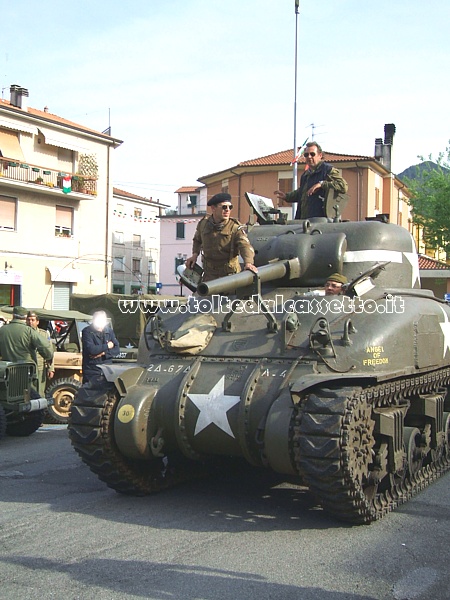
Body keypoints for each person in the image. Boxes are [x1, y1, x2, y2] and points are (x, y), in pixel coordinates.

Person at [185, 192, 257, 282]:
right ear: (213, 208)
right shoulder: (203, 224)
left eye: (230, 207)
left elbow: (245, 245)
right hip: (209, 275)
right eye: (224, 207)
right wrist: (194, 255)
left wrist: (248, 263)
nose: (227, 210)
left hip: (230, 275)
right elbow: (197, 240)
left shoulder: (235, 227)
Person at [274, 142, 348, 219]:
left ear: (320, 155)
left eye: (312, 154)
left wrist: (321, 184)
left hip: (321, 220)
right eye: (306, 155)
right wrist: (287, 196)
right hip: (304, 220)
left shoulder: (328, 170)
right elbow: (302, 192)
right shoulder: (305, 175)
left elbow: (343, 186)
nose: (309, 157)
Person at [0, 306, 53, 395]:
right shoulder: (29, 331)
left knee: (10, 397)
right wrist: (48, 357)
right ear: (25, 317)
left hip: (8, 372)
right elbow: (46, 347)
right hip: (27, 372)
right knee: (33, 399)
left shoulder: (2, 330)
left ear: (13, 315)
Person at [81, 310, 120, 385]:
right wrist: (107, 346)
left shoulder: (109, 331)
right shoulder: (87, 331)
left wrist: (103, 353)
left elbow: (117, 349)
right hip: (92, 370)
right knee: (89, 392)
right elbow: (91, 350)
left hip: (107, 369)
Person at [26, 311, 55, 397]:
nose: (30, 322)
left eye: (32, 320)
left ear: (37, 322)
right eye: (28, 320)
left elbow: (50, 351)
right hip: (27, 366)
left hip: (40, 367)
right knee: (27, 392)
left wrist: (51, 368)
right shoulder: (23, 333)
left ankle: (40, 409)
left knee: (40, 391)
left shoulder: (43, 334)